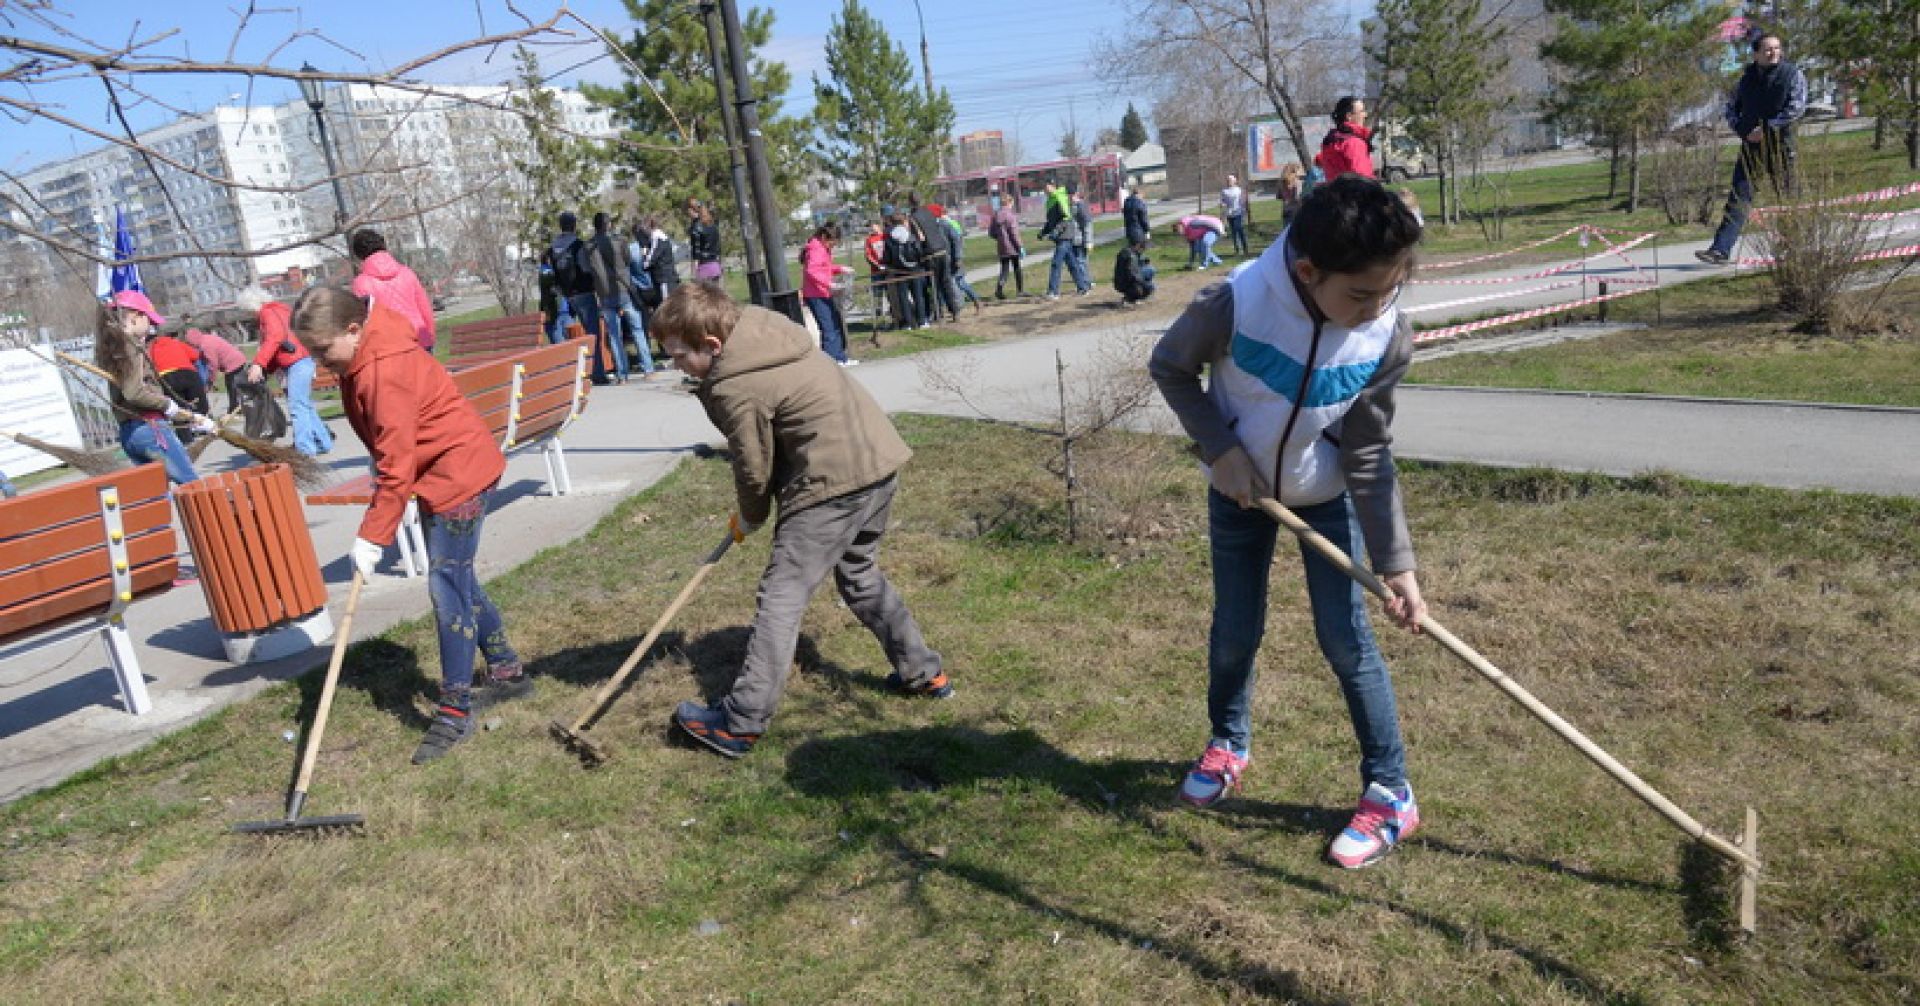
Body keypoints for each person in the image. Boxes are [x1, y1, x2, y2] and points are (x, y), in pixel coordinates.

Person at [1149, 175, 1426, 870]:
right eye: (1360, 294)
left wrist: (1397, 565)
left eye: (1389, 289)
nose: (1376, 308)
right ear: (1307, 271)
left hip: (1326, 497)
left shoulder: (1385, 335)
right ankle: (1228, 742)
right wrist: (1222, 451)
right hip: (1241, 495)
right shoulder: (1235, 303)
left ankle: (1391, 792)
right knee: (1234, 628)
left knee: (1346, 638)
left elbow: (1367, 449)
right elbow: (1171, 367)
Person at [655, 283, 948, 758]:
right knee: (859, 574)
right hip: (877, 463)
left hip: (832, 482)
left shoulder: (735, 384)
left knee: (781, 595)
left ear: (712, 345)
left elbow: (753, 465)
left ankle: (740, 722)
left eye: (680, 355)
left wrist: (750, 517)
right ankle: (923, 671)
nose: (676, 366)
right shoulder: (764, 333)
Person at [289, 286, 531, 764]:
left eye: (322, 350)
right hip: (439, 468)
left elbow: (394, 466)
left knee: (447, 587)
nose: (318, 362)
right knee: (456, 575)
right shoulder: (365, 352)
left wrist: (371, 537)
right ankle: (506, 671)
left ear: (354, 329)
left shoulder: (385, 369)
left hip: (458, 473)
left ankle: (455, 712)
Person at [1697, 33, 1807, 266]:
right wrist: (1743, 130)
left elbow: (1796, 108)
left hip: (1781, 147)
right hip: (1751, 148)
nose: (1774, 52)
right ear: (1756, 54)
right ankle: (1720, 250)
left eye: (1777, 48)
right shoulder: (1745, 81)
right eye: (1768, 49)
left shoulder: (1792, 75)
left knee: (1789, 198)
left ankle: (1794, 248)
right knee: (1738, 198)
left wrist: (1766, 130)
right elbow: (1730, 108)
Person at [95, 291, 209, 484]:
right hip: (150, 428)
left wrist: (187, 416)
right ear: (134, 316)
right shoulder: (130, 346)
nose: (150, 326)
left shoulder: (112, 348)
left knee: (157, 495)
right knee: (191, 484)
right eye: (148, 319)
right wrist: (166, 405)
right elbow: (134, 392)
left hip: (129, 433)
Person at [239, 286, 333, 457]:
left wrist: (259, 364)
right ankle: (322, 442)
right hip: (302, 359)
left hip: (296, 362)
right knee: (305, 405)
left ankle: (305, 450)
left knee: (297, 406)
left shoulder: (268, 313)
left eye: (247, 311)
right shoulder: (280, 310)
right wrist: (266, 369)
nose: (249, 315)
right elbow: (280, 344)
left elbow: (276, 337)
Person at [348, 229, 437, 351]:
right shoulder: (406, 272)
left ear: (358, 254)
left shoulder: (361, 283)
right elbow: (424, 307)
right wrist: (429, 336)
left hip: (389, 346)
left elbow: (365, 322)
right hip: (419, 336)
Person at [586, 211, 635, 383]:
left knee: (614, 334)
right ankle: (648, 366)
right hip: (622, 288)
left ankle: (622, 374)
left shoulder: (589, 247)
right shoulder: (619, 241)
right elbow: (628, 260)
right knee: (637, 329)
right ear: (608, 225)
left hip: (604, 293)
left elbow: (588, 270)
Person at [800, 221, 857, 365]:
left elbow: (824, 267)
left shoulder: (821, 248)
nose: (833, 245)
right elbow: (812, 271)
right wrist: (828, 283)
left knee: (834, 324)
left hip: (822, 292)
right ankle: (832, 361)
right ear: (825, 237)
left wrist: (839, 268)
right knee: (829, 328)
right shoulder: (816, 249)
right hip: (816, 294)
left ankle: (839, 357)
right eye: (832, 242)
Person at [543, 212, 597, 354]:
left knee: (569, 331)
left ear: (560, 226)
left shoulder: (552, 249)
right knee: (593, 333)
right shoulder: (578, 245)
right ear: (574, 225)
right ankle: (597, 372)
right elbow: (586, 269)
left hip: (567, 295)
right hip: (583, 292)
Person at [908, 193, 958, 324]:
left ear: (910, 203)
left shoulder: (913, 218)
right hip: (941, 249)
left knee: (934, 285)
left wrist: (918, 253)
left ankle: (938, 313)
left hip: (930, 253)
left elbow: (920, 238)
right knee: (946, 282)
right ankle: (954, 311)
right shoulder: (929, 212)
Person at [179, 324, 249, 414]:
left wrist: (211, 380)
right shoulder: (206, 338)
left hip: (234, 363)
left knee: (232, 386)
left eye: (190, 343)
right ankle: (237, 406)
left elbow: (213, 364)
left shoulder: (206, 346)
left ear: (193, 341)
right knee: (234, 386)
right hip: (237, 359)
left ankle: (234, 408)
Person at [146, 327, 211, 418]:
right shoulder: (175, 342)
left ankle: (184, 430)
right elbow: (195, 355)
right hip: (188, 373)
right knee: (201, 408)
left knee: (179, 412)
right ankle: (204, 427)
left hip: (167, 378)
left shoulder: (149, 350)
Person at [1041, 183, 1091, 299]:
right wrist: (1043, 232)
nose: (1044, 189)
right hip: (1061, 237)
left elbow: (1066, 219)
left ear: (1053, 186)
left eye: (1046, 186)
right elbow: (1051, 221)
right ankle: (1083, 287)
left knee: (1056, 263)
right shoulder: (1051, 201)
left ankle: (1053, 292)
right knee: (1072, 264)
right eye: (1044, 187)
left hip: (1065, 236)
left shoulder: (1060, 198)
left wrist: (1056, 231)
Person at [934, 205, 985, 314]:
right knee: (951, 283)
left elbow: (957, 241)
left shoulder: (947, 225)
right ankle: (944, 308)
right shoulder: (942, 224)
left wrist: (958, 258)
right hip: (949, 259)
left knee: (958, 282)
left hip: (953, 259)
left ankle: (976, 301)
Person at [884, 213, 928, 330]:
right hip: (914, 269)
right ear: (904, 222)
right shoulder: (910, 235)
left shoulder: (889, 238)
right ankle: (922, 321)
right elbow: (919, 251)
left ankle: (908, 323)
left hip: (899, 271)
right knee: (918, 296)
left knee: (903, 298)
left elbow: (886, 257)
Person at [1315, 96, 1376, 181]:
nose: (1365, 115)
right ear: (1349, 116)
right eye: (1362, 111)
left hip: (1335, 192)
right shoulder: (1354, 143)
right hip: (1354, 193)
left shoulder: (1330, 141)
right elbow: (1363, 181)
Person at [989, 195, 1026, 299]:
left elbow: (991, 233)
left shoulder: (996, 215)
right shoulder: (1010, 216)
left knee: (1004, 270)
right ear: (1009, 203)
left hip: (1002, 247)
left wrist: (1000, 238)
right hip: (1012, 246)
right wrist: (1020, 246)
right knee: (1017, 268)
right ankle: (1020, 291)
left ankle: (999, 290)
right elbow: (1014, 233)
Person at [687, 199, 723, 282]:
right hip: (715, 266)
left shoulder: (696, 229)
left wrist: (693, 273)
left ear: (692, 211)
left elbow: (696, 251)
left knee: (703, 295)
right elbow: (718, 248)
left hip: (704, 267)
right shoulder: (713, 227)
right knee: (715, 294)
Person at [1113, 240, 1156, 307]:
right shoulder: (1131, 256)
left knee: (1149, 272)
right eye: (1143, 249)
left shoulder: (1127, 251)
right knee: (1150, 276)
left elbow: (1132, 268)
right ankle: (1131, 298)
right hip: (1125, 282)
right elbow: (1132, 274)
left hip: (1120, 281)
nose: (1143, 251)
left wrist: (1143, 262)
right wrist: (1144, 284)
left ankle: (1131, 297)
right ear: (1138, 246)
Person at [1220, 173, 1250, 256]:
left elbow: (1243, 201)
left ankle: (1245, 249)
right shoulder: (1224, 191)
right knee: (1233, 232)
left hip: (1238, 213)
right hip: (1230, 214)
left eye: (1230, 180)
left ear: (1235, 181)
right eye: (1228, 180)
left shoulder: (1239, 190)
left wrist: (1244, 210)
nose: (1229, 182)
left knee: (1239, 230)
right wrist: (1223, 204)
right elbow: (1222, 201)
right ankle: (1237, 250)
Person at [1071, 189, 1095, 280]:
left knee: (1081, 261)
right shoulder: (1074, 206)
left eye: (1072, 195)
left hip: (1080, 239)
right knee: (1081, 262)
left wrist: (1088, 241)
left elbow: (1087, 223)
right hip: (1075, 238)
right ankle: (1087, 281)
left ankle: (1086, 281)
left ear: (1077, 195)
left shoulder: (1081, 206)